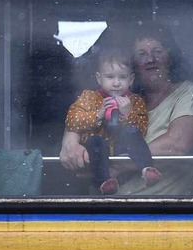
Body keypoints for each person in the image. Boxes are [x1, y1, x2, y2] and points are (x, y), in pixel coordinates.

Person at [60, 22, 193, 196]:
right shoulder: (128, 97)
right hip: (108, 209)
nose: (150, 59)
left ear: (170, 57)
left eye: (157, 51)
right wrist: (70, 141)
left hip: (167, 211)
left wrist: (111, 165)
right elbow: (81, 113)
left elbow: (177, 144)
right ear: (133, 65)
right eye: (142, 54)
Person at [64, 48, 162, 194]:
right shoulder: (88, 97)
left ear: (131, 79)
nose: (116, 83)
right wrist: (98, 114)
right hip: (96, 151)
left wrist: (127, 113)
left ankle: (147, 169)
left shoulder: (135, 101)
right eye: (110, 77)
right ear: (99, 78)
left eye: (122, 77)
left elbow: (141, 128)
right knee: (96, 141)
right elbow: (71, 120)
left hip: (122, 152)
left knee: (131, 132)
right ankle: (103, 183)